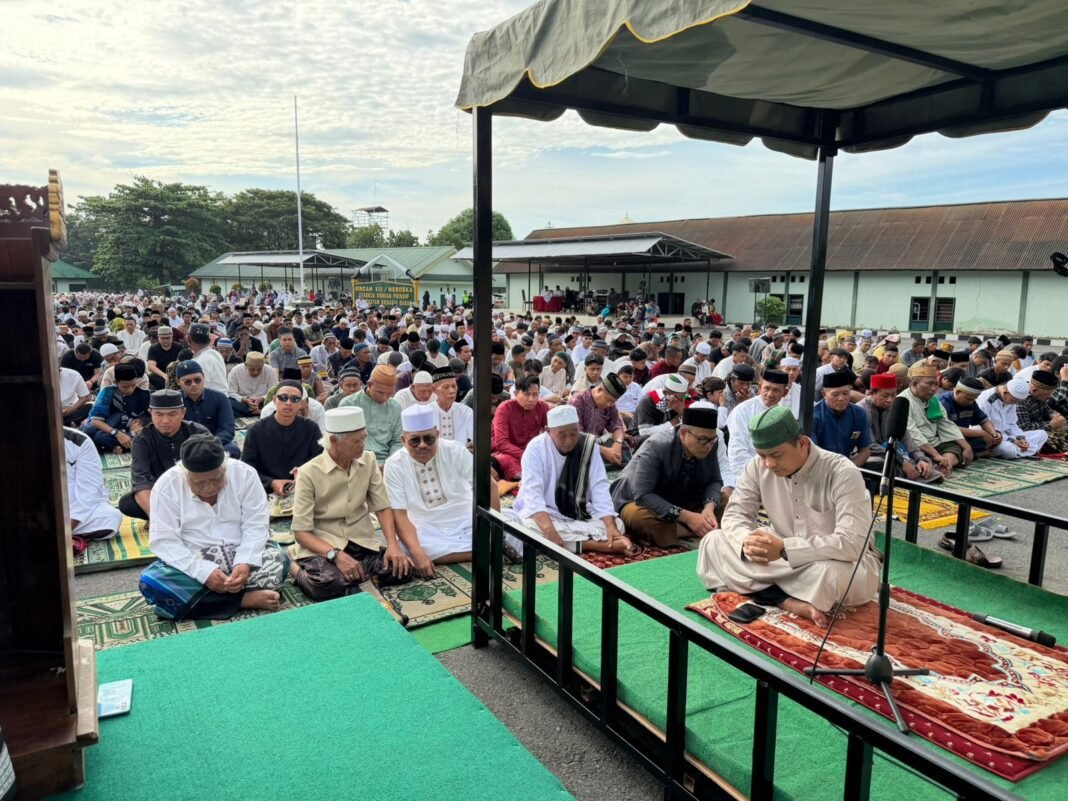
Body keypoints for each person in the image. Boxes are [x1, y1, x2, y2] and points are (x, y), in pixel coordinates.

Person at [696, 407, 880, 626]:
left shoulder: (842, 472)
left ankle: (759, 589)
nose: (768, 464)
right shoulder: (758, 466)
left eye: (776, 455)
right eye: (762, 455)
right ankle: (784, 600)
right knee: (712, 542)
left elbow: (852, 543)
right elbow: (736, 514)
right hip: (780, 560)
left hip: (831, 561)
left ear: (802, 443)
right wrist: (748, 542)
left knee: (831, 576)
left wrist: (785, 549)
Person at [138, 435, 290, 620]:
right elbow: (164, 541)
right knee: (152, 581)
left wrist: (245, 562)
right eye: (200, 482)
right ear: (185, 474)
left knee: (280, 560)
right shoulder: (167, 485)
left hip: (239, 554)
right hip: (194, 559)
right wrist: (204, 573)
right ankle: (243, 600)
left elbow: (256, 524)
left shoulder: (245, 474)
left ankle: (203, 602)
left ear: (224, 467)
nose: (210, 487)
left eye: (217, 479)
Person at [288, 408, 413, 602]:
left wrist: (392, 544)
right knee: (329, 585)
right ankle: (295, 568)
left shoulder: (368, 460)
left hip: (360, 540)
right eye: (357, 441)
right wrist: (335, 555)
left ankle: (357, 576)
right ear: (334, 441)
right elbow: (301, 532)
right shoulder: (308, 473)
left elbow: (382, 506)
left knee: (401, 569)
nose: (363, 445)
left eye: (364, 438)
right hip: (324, 545)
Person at [384, 405, 493, 575]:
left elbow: (488, 485)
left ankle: (483, 547)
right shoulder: (394, 464)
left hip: (466, 519)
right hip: (426, 527)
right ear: (403, 440)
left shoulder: (455, 450)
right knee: (405, 548)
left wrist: (491, 527)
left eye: (429, 439)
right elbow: (399, 514)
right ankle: (487, 551)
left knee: (516, 528)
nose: (422, 445)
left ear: (438, 435)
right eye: (414, 440)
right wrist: (418, 552)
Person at [511, 404, 634, 554]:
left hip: (578, 510)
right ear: (548, 431)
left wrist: (610, 527)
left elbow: (599, 487)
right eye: (562, 434)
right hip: (544, 512)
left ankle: (574, 543)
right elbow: (533, 496)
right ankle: (593, 545)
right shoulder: (535, 448)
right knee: (527, 527)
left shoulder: (587, 446)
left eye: (574, 433)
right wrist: (549, 530)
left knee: (618, 524)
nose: (569, 440)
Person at [611, 405, 722, 547]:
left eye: (712, 440)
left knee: (728, 500)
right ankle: (698, 529)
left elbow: (714, 480)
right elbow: (643, 495)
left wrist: (709, 508)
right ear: (683, 434)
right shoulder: (657, 445)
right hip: (644, 501)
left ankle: (691, 528)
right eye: (702, 440)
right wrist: (688, 518)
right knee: (637, 516)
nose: (708, 446)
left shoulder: (711, 443)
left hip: (682, 499)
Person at [120, 389, 210, 520]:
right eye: (159, 414)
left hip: (196, 492)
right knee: (128, 503)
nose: (165, 421)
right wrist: (157, 518)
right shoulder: (142, 440)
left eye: (172, 414)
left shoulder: (199, 434)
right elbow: (141, 481)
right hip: (162, 494)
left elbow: (214, 472)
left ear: (183, 413)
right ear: (150, 413)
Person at [240, 379, 323, 495]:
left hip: (303, 487)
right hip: (264, 490)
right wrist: (271, 483)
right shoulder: (256, 430)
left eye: (295, 399)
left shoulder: (311, 428)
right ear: (274, 400)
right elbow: (247, 468)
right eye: (283, 398)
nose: (288, 403)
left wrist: (304, 475)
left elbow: (319, 462)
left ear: (300, 404)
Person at [862, 373, 937, 480]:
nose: (890, 400)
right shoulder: (861, 411)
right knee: (880, 467)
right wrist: (902, 462)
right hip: (871, 455)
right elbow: (871, 446)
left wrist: (920, 459)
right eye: (885, 396)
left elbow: (906, 437)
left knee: (923, 464)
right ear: (871, 394)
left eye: (893, 395)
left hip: (893, 453)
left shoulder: (894, 408)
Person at [900, 364, 972, 477]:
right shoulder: (903, 401)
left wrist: (967, 447)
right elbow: (912, 433)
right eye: (929, 384)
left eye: (936, 384)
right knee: (916, 456)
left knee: (956, 447)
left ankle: (944, 465)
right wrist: (935, 454)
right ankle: (939, 463)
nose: (934, 389)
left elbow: (946, 424)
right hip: (915, 445)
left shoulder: (933, 400)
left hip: (933, 443)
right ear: (914, 384)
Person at [727, 370, 791, 481]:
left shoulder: (785, 413)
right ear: (760, 387)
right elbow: (737, 454)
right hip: (749, 475)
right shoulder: (743, 411)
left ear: (785, 392)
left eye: (776, 390)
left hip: (779, 474)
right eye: (767, 388)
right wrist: (761, 477)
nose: (770, 394)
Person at [64, 427, 123, 542]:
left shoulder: (79, 441)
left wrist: (65, 529)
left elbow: (89, 491)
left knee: (110, 518)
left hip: (71, 509)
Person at [175, 359, 240, 459]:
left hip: (214, 443)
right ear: (178, 382)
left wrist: (208, 444)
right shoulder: (174, 401)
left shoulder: (219, 397)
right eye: (188, 382)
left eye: (197, 380)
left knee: (232, 450)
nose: (193, 384)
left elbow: (227, 429)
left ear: (203, 377)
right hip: (185, 446)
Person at [338, 364, 404, 462]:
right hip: (355, 461)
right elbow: (342, 441)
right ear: (369, 384)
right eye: (380, 392)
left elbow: (397, 442)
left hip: (385, 462)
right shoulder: (348, 404)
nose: (385, 397)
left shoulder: (395, 407)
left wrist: (389, 464)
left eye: (389, 393)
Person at [81, 362, 151, 452]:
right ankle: (127, 447)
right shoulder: (107, 393)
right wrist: (117, 434)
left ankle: (122, 447)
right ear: (115, 382)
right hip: (108, 427)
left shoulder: (144, 394)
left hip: (132, 430)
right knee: (91, 433)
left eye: (133, 385)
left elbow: (150, 419)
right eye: (125, 387)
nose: (130, 389)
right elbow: (96, 421)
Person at [491, 374, 550, 480]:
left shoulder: (542, 407)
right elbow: (501, 443)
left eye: (535, 394)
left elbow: (551, 434)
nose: (531, 399)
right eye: (527, 394)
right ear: (515, 393)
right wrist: (527, 455)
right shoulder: (504, 408)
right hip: (505, 453)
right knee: (506, 461)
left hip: (531, 452)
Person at [810, 371, 871, 467]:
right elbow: (811, 455)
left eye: (846, 393)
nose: (841, 398)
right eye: (835, 394)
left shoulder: (859, 414)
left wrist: (847, 470)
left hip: (848, 466)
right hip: (819, 467)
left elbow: (865, 451)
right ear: (824, 394)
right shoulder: (813, 416)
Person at [569, 372, 629, 468]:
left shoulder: (610, 404)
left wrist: (618, 443)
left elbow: (617, 425)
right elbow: (577, 436)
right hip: (578, 446)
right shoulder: (578, 401)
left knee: (624, 447)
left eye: (613, 402)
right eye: (608, 400)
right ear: (599, 390)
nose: (610, 404)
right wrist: (605, 451)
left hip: (597, 444)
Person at [976, 378, 1048, 458]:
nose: (1016, 403)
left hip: (1008, 436)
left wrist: (1020, 438)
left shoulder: (1011, 399)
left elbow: (1012, 423)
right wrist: (1012, 441)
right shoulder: (986, 400)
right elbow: (984, 428)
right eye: (1015, 400)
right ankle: (1020, 452)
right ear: (1005, 392)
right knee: (1009, 450)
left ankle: (1019, 452)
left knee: (1042, 434)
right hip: (991, 437)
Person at [937, 375, 1002, 457]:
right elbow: (949, 429)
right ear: (957, 392)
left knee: (995, 438)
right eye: (969, 399)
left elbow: (984, 420)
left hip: (964, 437)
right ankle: (976, 454)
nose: (971, 402)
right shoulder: (943, 403)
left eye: (973, 399)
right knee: (955, 449)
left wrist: (994, 434)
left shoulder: (970, 402)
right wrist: (981, 433)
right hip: (947, 439)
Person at [1015, 369, 1067, 453]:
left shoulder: (1040, 396)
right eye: (1047, 394)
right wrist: (1051, 424)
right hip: (1024, 435)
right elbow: (1024, 428)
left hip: (1042, 428)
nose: (1049, 397)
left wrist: (1054, 415)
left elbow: (1047, 410)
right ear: (1034, 390)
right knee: (1048, 439)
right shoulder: (1021, 400)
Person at [226, 351, 276, 417]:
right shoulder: (236, 371)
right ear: (246, 365)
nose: (255, 372)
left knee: (276, 403)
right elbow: (231, 392)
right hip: (242, 403)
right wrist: (243, 399)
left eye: (259, 369)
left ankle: (256, 412)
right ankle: (260, 412)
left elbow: (274, 391)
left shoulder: (269, 370)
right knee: (227, 403)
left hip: (263, 403)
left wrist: (261, 399)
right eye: (252, 369)